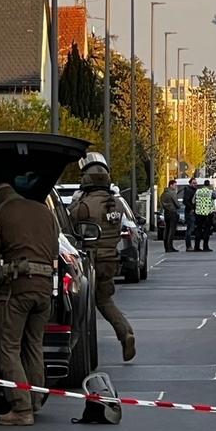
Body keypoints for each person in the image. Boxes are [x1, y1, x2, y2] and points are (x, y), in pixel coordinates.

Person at [0, 182, 59, 426]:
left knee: (9, 347)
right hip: (44, 289)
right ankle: (34, 399)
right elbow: (54, 249)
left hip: (17, 290)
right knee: (34, 345)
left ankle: (21, 409)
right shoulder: (45, 211)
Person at [69, 154, 137, 363]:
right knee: (104, 300)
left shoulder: (84, 205)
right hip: (111, 258)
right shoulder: (116, 204)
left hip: (90, 259)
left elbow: (68, 227)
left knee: (80, 304)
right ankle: (125, 332)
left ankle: (77, 346)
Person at [193, 180, 216, 252]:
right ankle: (205, 246)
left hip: (199, 213)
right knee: (207, 230)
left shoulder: (198, 191)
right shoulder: (210, 192)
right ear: (209, 185)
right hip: (207, 213)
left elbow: (193, 201)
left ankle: (196, 247)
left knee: (198, 230)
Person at [160, 179, 180, 252]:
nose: (176, 187)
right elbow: (177, 204)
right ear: (171, 185)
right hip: (172, 212)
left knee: (167, 230)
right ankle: (170, 246)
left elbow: (161, 203)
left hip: (166, 213)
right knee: (172, 231)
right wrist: (177, 206)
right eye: (175, 185)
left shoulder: (163, 194)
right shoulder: (172, 193)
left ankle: (166, 246)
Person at [183, 178, 198, 251]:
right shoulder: (188, 191)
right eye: (194, 183)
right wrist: (191, 208)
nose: (195, 184)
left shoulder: (194, 190)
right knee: (190, 228)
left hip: (193, 211)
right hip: (189, 212)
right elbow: (185, 201)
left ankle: (192, 246)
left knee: (192, 228)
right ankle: (188, 246)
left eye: (196, 183)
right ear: (190, 184)